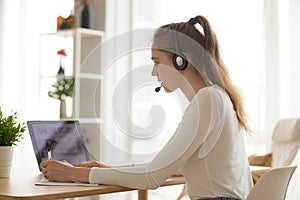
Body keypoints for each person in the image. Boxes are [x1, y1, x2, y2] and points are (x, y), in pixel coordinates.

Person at [41, 15, 253, 200]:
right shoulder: (216, 96)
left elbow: (152, 177)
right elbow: (168, 167)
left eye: (157, 61)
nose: (154, 72)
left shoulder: (208, 99)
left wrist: (75, 174)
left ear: (181, 61)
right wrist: (103, 168)